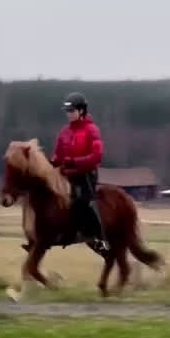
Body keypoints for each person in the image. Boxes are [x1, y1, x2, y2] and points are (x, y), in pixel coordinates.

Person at [51, 91, 107, 253]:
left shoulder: (92, 130)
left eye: (72, 111)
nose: (69, 114)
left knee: (83, 203)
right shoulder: (64, 132)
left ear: (81, 111)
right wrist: (49, 164)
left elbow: (97, 156)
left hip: (86, 175)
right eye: (67, 111)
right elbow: (57, 155)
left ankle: (99, 237)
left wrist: (75, 162)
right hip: (66, 174)